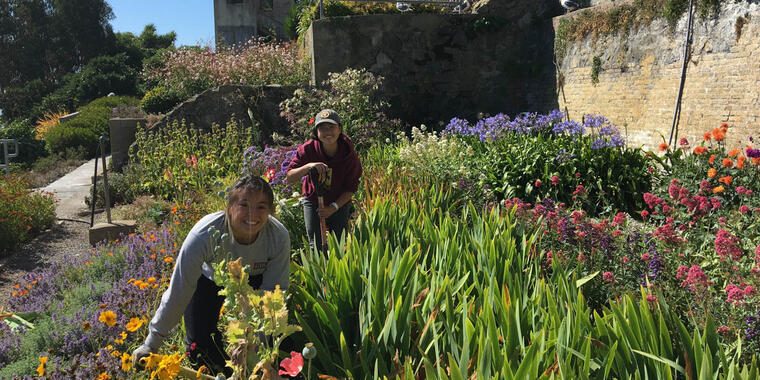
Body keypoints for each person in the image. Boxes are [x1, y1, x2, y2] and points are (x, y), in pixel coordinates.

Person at [132, 175, 290, 375]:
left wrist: (256, 355)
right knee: (199, 348)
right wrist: (151, 344)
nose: (252, 214)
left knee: (274, 347)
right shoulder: (205, 234)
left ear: (270, 211)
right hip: (212, 280)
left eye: (261, 207)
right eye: (244, 204)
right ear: (229, 207)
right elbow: (179, 290)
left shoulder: (278, 236)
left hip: (257, 280)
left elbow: (274, 294)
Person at [286, 109, 362, 252]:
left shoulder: (348, 153)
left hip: (339, 202)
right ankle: (320, 272)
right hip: (313, 199)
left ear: (339, 129)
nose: (328, 132)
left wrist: (332, 208)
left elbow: (351, 188)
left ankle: (338, 272)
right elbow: (290, 177)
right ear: (316, 132)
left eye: (332, 127)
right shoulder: (308, 149)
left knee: (339, 245)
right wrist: (308, 167)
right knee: (316, 245)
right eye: (322, 128)